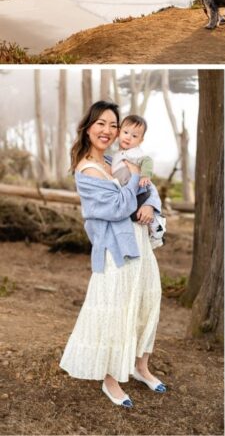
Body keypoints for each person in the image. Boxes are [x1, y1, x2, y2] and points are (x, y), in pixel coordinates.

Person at [60, 101, 165, 407]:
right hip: (115, 250)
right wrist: (135, 176)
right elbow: (119, 206)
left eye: (113, 125)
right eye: (100, 124)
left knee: (149, 299)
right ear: (88, 128)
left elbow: (148, 189)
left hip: (140, 242)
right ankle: (110, 379)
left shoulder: (114, 160)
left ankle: (140, 365)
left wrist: (149, 204)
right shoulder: (86, 170)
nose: (107, 131)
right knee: (117, 311)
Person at [110, 113, 166, 248]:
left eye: (134, 136)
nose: (128, 137)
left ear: (140, 140)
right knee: (137, 214)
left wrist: (145, 175)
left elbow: (147, 160)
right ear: (119, 133)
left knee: (142, 210)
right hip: (128, 190)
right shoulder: (118, 153)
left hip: (139, 189)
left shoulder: (134, 152)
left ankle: (157, 226)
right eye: (126, 132)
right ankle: (155, 230)